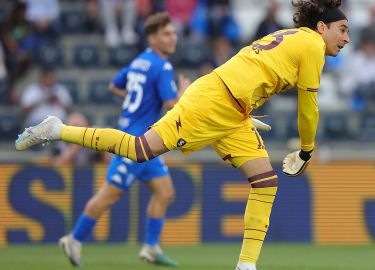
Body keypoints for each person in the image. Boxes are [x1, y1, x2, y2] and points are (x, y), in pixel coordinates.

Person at [15, 1, 350, 269]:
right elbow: (308, 109)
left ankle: (246, 266)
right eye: (342, 29)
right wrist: (306, 150)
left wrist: (247, 107)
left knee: (265, 181)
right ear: (321, 27)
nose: (346, 38)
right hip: (214, 102)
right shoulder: (311, 44)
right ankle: (57, 129)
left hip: (234, 110)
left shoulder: (290, 36)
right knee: (138, 149)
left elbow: (252, 68)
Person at [57, 12, 191, 267]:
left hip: (142, 141)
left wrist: (136, 107)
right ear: (152, 38)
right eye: (166, 34)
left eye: (173, 33)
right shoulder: (163, 66)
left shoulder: (140, 60)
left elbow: (113, 86)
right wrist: (183, 93)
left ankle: (151, 247)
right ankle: (74, 239)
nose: (173, 38)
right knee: (109, 195)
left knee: (165, 192)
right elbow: (172, 106)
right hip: (136, 143)